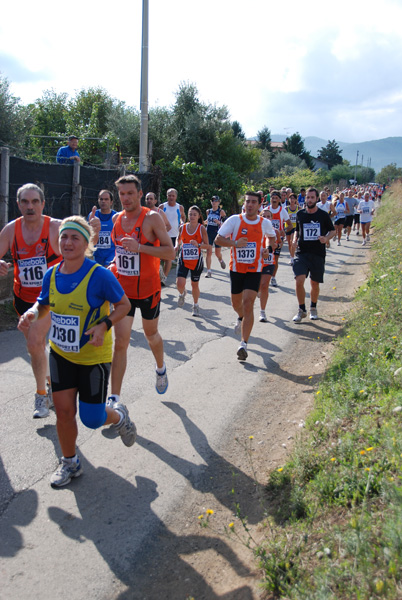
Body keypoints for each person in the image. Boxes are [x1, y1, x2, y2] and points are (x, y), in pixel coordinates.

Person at [18, 216, 134, 488]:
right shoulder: (52, 273)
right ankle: (70, 461)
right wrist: (32, 313)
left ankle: (119, 417)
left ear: (86, 243)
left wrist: (104, 325)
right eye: (64, 237)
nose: (68, 242)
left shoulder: (100, 276)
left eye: (75, 238)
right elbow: (43, 302)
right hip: (61, 354)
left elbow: (124, 305)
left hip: (93, 358)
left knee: (93, 419)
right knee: (63, 411)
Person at [108, 175, 175, 399]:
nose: (125, 198)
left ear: (139, 194)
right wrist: (114, 265)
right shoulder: (117, 219)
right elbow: (120, 254)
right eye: (121, 194)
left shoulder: (152, 218)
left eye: (130, 193)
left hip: (148, 290)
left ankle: (160, 368)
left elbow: (170, 252)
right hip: (123, 293)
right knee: (120, 343)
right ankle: (114, 399)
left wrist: (140, 248)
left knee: (151, 335)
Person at [0, 184, 62, 418]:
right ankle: (52, 385)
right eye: (25, 202)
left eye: (35, 201)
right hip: (23, 298)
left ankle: (41, 396)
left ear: (43, 204)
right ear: (18, 205)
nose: (30, 206)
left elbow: (79, 250)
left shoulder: (55, 227)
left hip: (49, 299)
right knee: (37, 348)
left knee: (35, 342)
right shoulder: (11, 230)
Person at [215, 191, 276, 361]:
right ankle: (240, 317)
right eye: (247, 201)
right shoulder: (235, 220)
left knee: (248, 302)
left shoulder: (264, 223)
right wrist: (234, 243)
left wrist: (268, 250)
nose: (250, 205)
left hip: (254, 269)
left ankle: (243, 344)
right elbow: (218, 239)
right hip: (236, 269)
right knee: (236, 304)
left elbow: (273, 239)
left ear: (259, 204)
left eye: (253, 202)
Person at [292, 187, 336, 323]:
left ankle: (313, 308)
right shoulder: (300, 214)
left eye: (312, 198)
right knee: (299, 280)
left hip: (317, 253)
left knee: (314, 284)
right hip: (302, 253)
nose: (310, 200)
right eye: (308, 198)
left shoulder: (323, 215)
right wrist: (294, 240)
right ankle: (301, 310)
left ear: (317, 199)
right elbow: (297, 230)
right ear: (305, 199)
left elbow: (332, 231)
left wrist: (326, 238)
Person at [175, 206, 209, 316]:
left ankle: (195, 305)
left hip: (196, 261)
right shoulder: (183, 227)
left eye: (195, 214)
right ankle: (182, 293)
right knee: (179, 283)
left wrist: (198, 245)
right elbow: (178, 239)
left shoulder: (201, 228)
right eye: (190, 214)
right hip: (184, 259)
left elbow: (207, 246)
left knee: (194, 285)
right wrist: (176, 246)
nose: (192, 216)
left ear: (199, 216)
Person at [145, 192, 172, 285]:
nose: (149, 200)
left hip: (159, 240)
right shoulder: (142, 212)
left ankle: (163, 277)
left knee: (168, 258)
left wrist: (160, 233)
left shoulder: (159, 212)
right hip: (147, 242)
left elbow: (169, 226)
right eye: (147, 198)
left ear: (155, 201)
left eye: (151, 199)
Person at [258, 208, 280, 323]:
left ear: (272, 218)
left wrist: (272, 247)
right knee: (258, 286)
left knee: (265, 285)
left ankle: (262, 312)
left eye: (268, 216)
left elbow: (278, 243)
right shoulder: (256, 229)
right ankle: (258, 292)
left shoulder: (275, 231)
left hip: (268, 262)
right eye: (264, 216)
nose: (266, 218)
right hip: (256, 262)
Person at [159, 189, 186, 280]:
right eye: (169, 195)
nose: (171, 197)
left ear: (176, 197)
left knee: (169, 258)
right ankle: (160, 272)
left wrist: (182, 223)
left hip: (174, 235)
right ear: (167, 196)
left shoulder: (180, 207)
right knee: (161, 257)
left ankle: (164, 278)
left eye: (173, 196)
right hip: (163, 235)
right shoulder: (162, 206)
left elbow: (183, 216)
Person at [268, 190, 291, 287]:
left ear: (279, 200)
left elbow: (290, 225)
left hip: (278, 239)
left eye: (276, 198)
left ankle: (273, 277)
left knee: (275, 259)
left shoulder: (282, 211)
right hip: (267, 238)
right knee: (265, 258)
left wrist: (284, 231)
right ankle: (264, 276)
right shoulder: (266, 210)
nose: (274, 200)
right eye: (272, 198)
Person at [90, 189, 117, 267]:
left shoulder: (116, 217)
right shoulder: (93, 215)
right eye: (101, 199)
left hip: (111, 253)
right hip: (97, 253)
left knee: (107, 271)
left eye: (106, 199)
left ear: (111, 202)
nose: (103, 201)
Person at [205, 196, 226, 277]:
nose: (214, 202)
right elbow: (207, 221)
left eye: (216, 201)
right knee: (209, 252)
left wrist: (219, 222)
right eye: (213, 200)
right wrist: (204, 222)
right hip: (209, 233)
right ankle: (209, 271)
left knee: (217, 253)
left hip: (217, 233)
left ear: (218, 202)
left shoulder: (221, 212)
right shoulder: (208, 211)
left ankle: (220, 260)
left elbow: (225, 224)